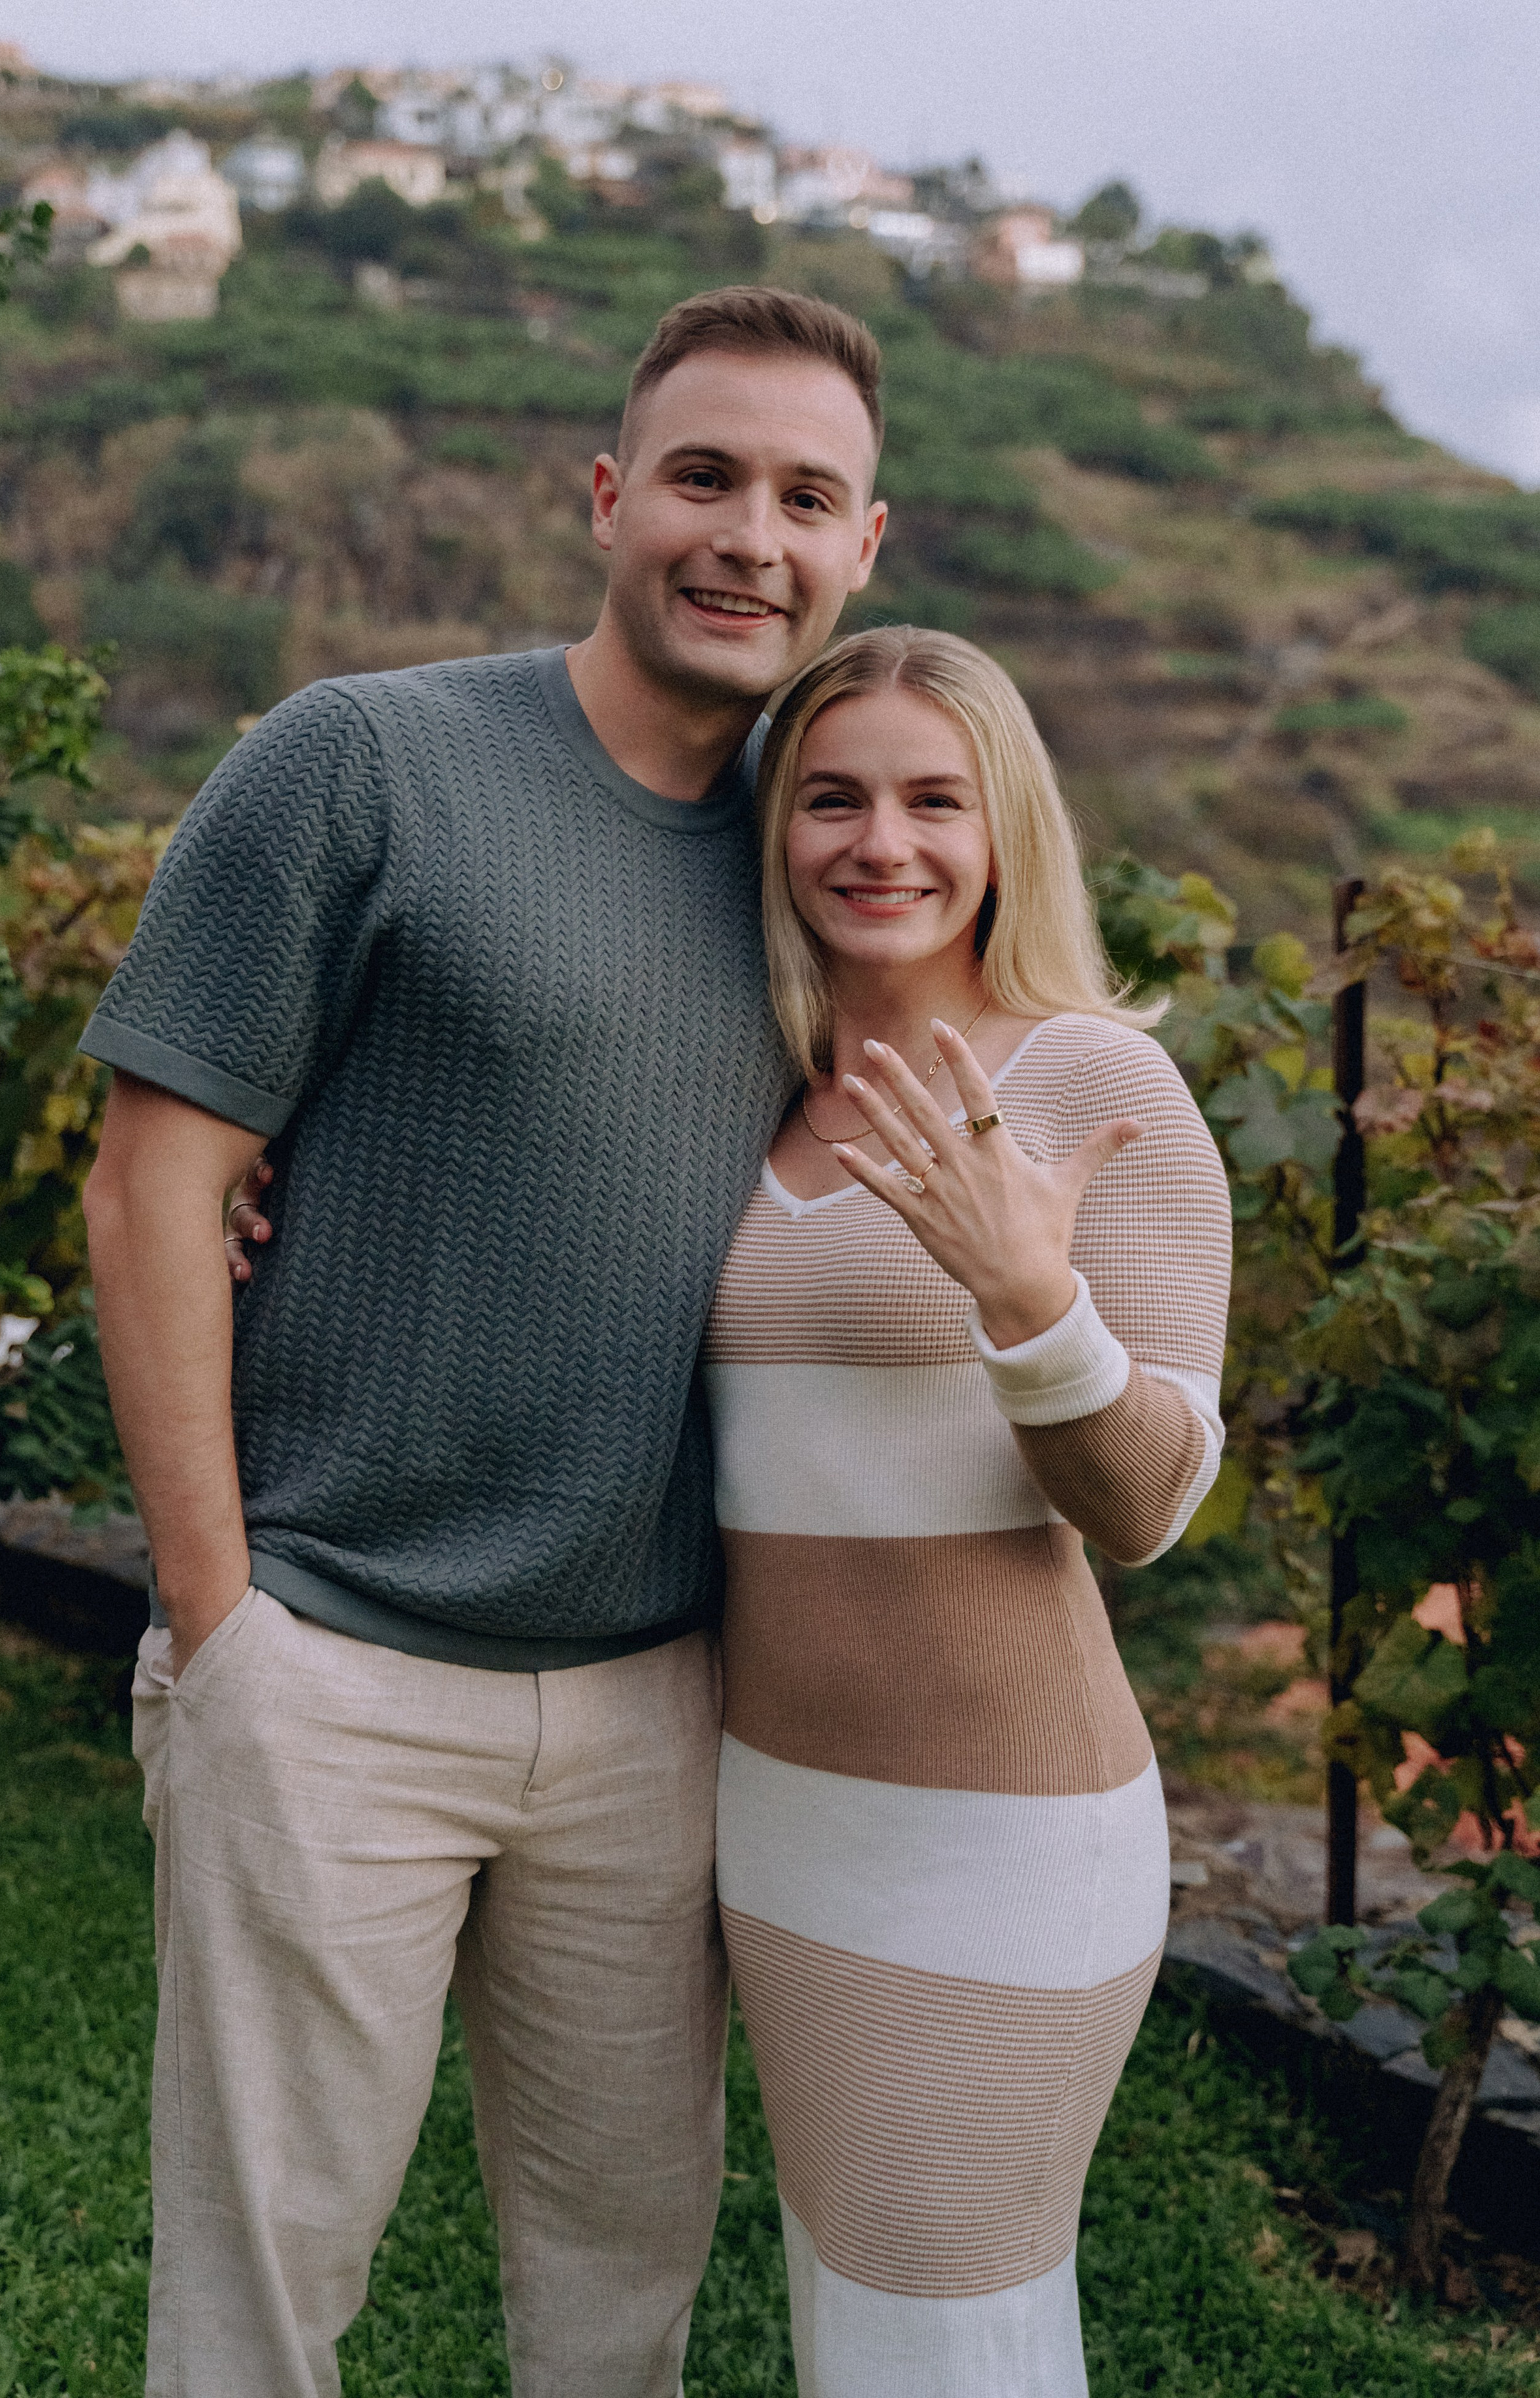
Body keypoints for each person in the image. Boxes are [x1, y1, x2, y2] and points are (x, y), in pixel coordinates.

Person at [78, 285, 888, 2398]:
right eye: (704, 477)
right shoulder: (362, 760)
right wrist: (221, 1623)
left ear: (865, 545)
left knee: (623, 2298)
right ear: (608, 496)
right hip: (326, 1659)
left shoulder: (830, 857)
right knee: (262, 2294)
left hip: (658, 1699)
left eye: (806, 497)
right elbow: (154, 1181)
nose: (751, 536)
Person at [701, 625, 1231, 2395]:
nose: (883, 844)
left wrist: (1031, 1303)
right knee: (858, 2312)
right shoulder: (752, 1087)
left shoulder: (1089, 1083)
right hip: (778, 1821)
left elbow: (1152, 1502)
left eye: (936, 801)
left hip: (1001, 1836)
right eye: (831, 798)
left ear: (1007, 831)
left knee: (947, 2320)